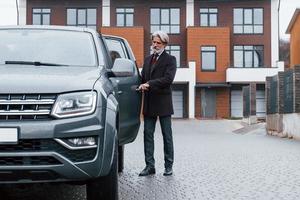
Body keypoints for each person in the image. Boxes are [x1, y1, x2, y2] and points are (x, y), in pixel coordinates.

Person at [138, 30, 177, 176]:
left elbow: (168, 79)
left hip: (164, 104)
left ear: (165, 44)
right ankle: (150, 166)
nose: (155, 45)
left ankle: (168, 166)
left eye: (158, 43)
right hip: (149, 104)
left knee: (167, 136)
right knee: (147, 135)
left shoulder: (170, 59)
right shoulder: (148, 59)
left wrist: (149, 84)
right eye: (153, 42)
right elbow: (142, 79)